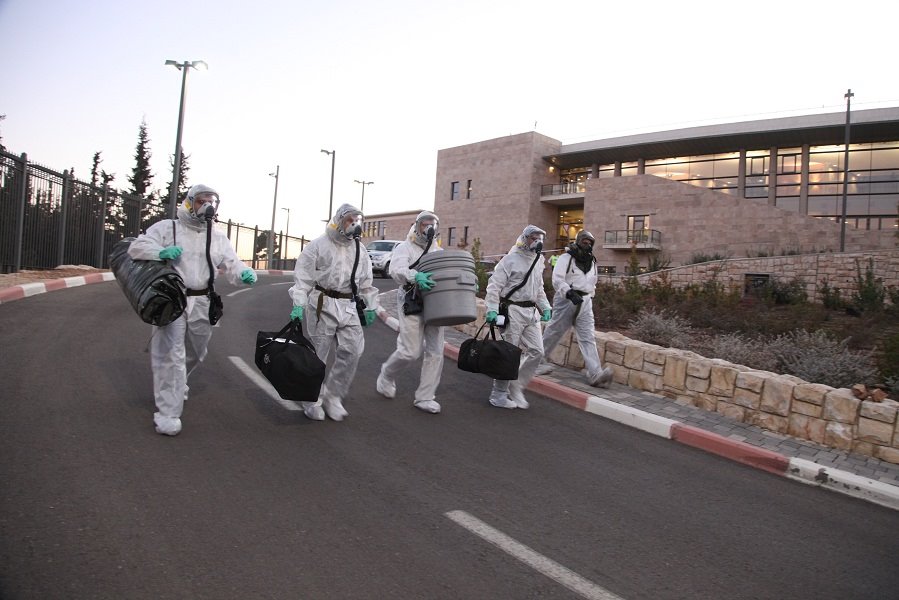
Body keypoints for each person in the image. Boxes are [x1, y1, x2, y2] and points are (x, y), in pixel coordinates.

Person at [128, 184, 257, 436]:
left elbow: (231, 263)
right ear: (189, 203)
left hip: (203, 301)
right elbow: (137, 247)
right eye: (201, 201)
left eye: (210, 201)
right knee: (171, 356)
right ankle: (167, 413)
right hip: (172, 300)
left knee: (196, 352)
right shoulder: (168, 228)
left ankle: (179, 383)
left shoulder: (217, 237)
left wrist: (243, 273)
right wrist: (160, 251)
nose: (206, 206)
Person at [288, 203, 378, 422]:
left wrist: (371, 304)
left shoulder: (360, 250)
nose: (354, 224)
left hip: (348, 306)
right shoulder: (318, 246)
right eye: (350, 220)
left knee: (352, 352)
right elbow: (303, 277)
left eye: (357, 220)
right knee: (318, 355)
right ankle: (312, 399)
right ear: (339, 221)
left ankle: (333, 396)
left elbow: (366, 282)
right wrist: (298, 303)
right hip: (322, 303)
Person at [376, 211, 445, 414]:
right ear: (416, 226)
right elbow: (396, 270)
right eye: (424, 224)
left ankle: (425, 397)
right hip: (411, 299)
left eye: (432, 225)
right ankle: (387, 374)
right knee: (410, 351)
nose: (428, 228)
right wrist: (415, 276)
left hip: (434, 302)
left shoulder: (438, 251)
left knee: (435, 351)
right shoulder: (404, 248)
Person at [483, 225, 552, 409]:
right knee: (509, 353)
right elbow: (494, 286)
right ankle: (498, 395)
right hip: (512, 310)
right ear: (524, 238)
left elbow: (538, 289)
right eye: (533, 238)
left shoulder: (539, 261)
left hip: (531, 312)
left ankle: (517, 385)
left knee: (537, 351)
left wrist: (545, 306)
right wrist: (491, 308)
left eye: (539, 238)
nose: (536, 241)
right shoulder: (510, 260)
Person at [539, 230, 613, 387]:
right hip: (566, 299)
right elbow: (557, 279)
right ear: (579, 241)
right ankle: (537, 361)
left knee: (588, 337)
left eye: (590, 243)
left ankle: (595, 373)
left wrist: (589, 297)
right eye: (585, 241)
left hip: (585, 302)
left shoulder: (592, 262)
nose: (587, 244)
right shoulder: (566, 258)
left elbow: (593, 282)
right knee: (554, 331)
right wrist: (568, 292)